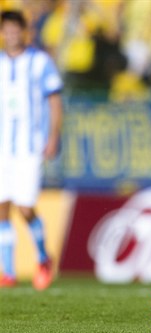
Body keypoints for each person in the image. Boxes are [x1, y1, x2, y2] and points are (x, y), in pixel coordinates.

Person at [0, 10, 63, 290]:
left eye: (16, 29)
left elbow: (54, 101)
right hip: (3, 146)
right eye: (6, 29)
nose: (11, 34)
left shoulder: (39, 62)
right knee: (2, 208)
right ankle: (8, 272)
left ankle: (42, 258)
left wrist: (53, 136)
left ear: (24, 31)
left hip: (29, 147)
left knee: (25, 208)